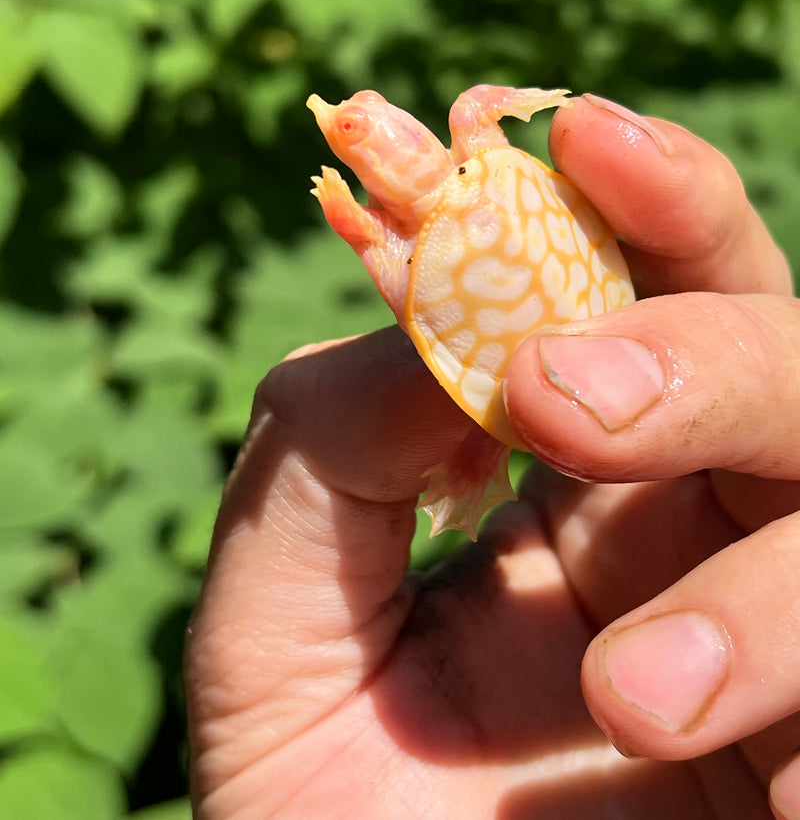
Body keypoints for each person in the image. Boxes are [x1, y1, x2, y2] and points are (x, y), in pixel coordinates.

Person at [185, 94, 800, 819]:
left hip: (590, 329)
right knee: (491, 417)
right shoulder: (419, 223)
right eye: (352, 132)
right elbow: (393, 263)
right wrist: (349, 211)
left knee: (503, 407)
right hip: (544, 339)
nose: (374, 133)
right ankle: (481, 468)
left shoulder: (472, 163)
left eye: (364, 121)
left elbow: (463, 132)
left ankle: (487, 462)